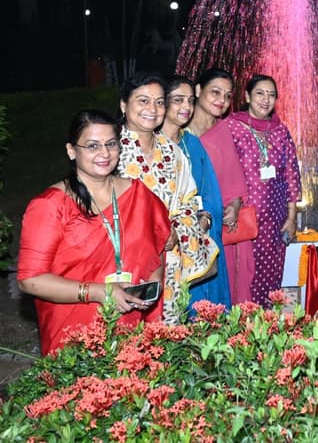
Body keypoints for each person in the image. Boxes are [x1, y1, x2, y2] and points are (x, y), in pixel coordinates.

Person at [17, 110, 170, 355]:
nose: (105, 153)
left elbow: (159, 248)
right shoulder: (50, 206)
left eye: (111, 144)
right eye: (92, 146)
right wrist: (98, 292)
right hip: (75, 331)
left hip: (131, 321)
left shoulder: (139, 195)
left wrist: (151, 284)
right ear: (71, 151)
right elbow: (30, 280)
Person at [117, 72, 218, 324]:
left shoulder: (171, 150)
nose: (153, 109)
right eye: (143, 101)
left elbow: (188, 202)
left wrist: (179, 230)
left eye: (159, 102)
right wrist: (153, 234)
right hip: (125, 260)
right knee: (129, 332)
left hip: (171, 257)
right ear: (123, 105)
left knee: (169, 331)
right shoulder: (111, 150)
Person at [201, 74, 302, 306]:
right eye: (260, 93)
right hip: (243, 217)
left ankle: (265, 318)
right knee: (243, 274)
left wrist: (291, 217)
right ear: (247, 96)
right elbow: (214, 161)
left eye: (271, 95)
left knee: (271, 274)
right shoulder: (231, 127)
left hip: (275, 220)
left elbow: (291, 175)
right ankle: (242, 318)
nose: (266, 100)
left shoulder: (280, 131)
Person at [162, 76, 232, 310]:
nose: (186, 107)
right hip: (168, 240)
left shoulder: (192, 142)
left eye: (190, 100)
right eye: (178, 100)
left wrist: (206, 219)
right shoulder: (152, 146)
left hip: (201, 231)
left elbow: (210, 192)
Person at [187, 68, 234, 138]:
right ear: (198, 90)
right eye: (216, 92)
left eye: (228, 96)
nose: (223, 100)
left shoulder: (228, 131)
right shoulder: (179, 125)